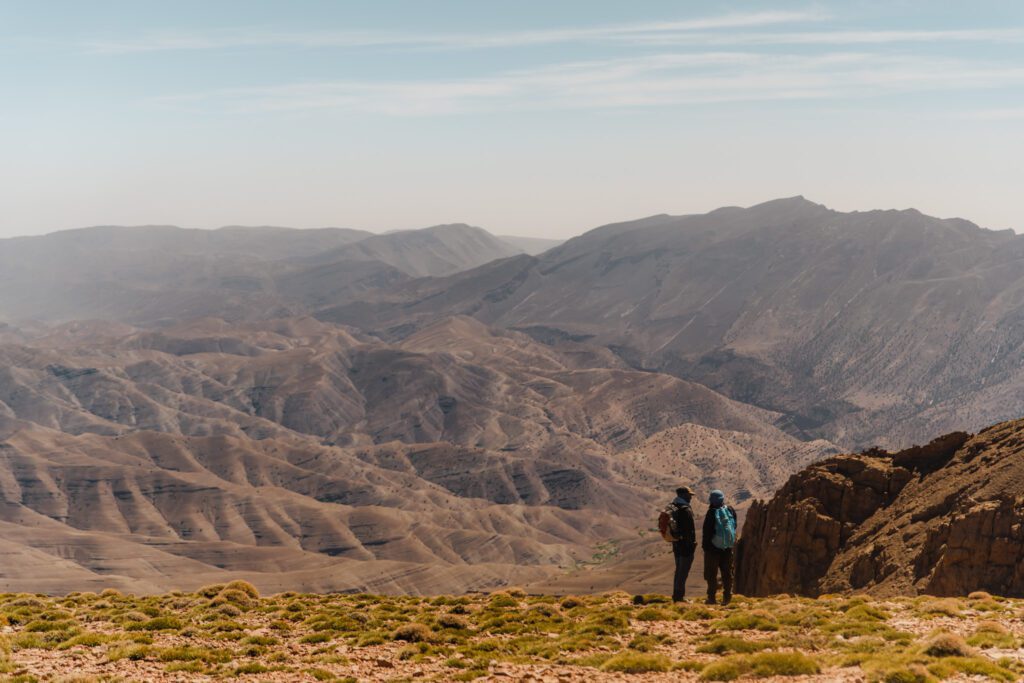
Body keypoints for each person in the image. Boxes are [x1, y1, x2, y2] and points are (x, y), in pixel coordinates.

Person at [702, 489, 737, 605]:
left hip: (713, 549)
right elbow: (734, 525)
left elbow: (707, 531)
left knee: (711, 574)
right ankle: (727, 597)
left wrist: (706, 547)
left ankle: (711, 598)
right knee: (727, 573)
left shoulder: (711, 512)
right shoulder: (730, 510)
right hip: (727, 548)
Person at [668, 486, 696, 602]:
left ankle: (677, 595)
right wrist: (691, 544)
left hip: (676, 544)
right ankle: (679, 598)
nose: (691, 497)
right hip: (685, 546)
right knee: (683, 572)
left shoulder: (674, 507)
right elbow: (690, 530)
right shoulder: (685, 510)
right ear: (683, 495)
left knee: (679, 570)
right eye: (689, 495)